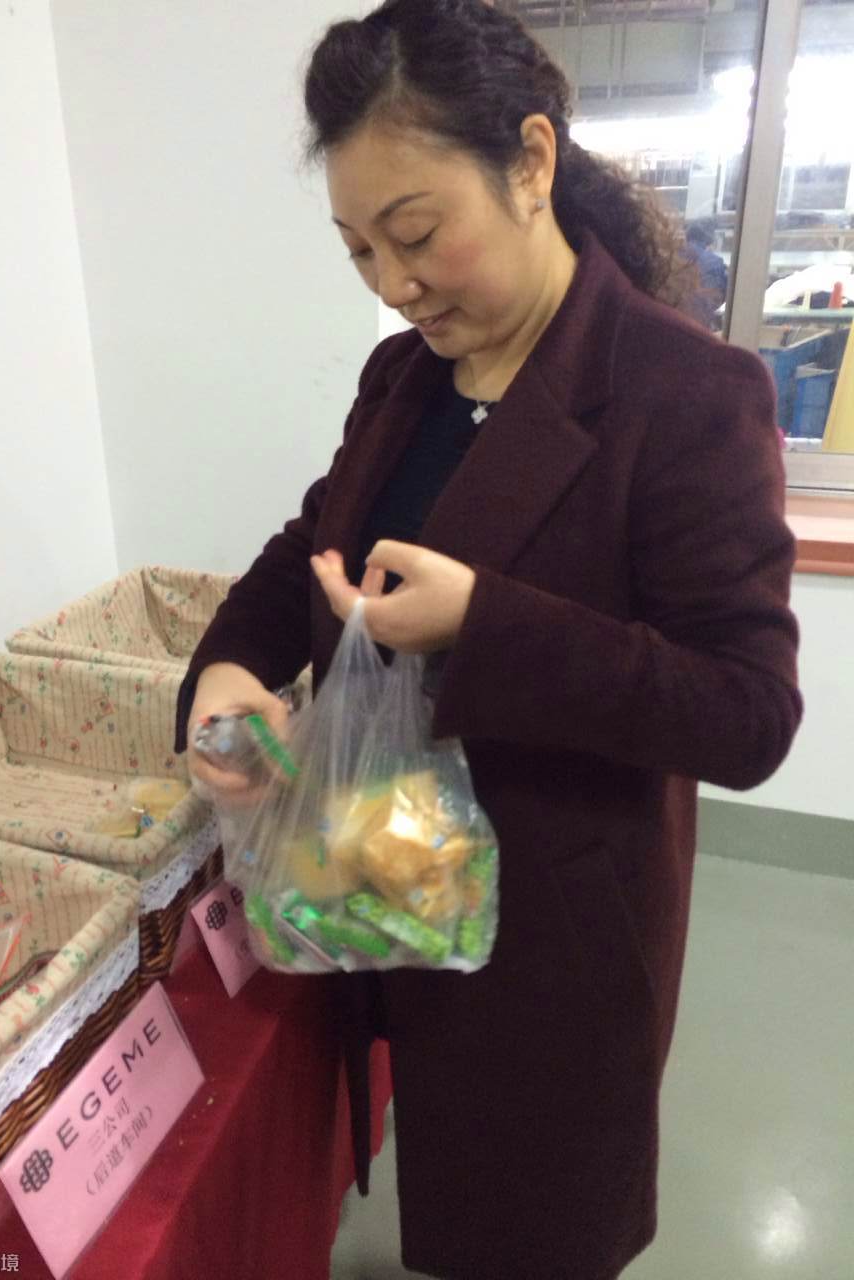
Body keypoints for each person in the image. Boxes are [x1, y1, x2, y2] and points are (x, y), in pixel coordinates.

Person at [174, 2, 802, 1276]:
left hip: (554, 945)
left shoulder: (684, 392)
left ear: (530, 162)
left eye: (415, 235)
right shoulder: (404, 377)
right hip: (383, 886)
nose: (393, 284)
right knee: (436, 1185)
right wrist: (225, 676)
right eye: (359, 249)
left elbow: (747, 712)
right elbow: (310, 545)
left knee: (527, 1228)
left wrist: (485, 623)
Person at [682, 219, 729, 330]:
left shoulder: (674, 256)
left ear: (687, 238)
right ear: (706, 241)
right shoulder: (716, 261)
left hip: (679, 314)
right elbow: (723, 292)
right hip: (706, 317)